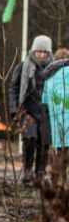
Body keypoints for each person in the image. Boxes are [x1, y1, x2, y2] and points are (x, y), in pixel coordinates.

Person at [10, 35, 53, 184]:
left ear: (49, 53)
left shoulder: (54, 68)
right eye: (38, 51)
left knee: (44, 144)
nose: (41, 55)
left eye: (44, 52)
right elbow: (14, 88)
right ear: (33, 51)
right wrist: (14, 109)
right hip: (28, 111)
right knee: (29, 140)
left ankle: (40, 173)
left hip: (47, 112)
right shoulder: (23, 66)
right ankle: (27, 172)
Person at [43, 48, 69, 178]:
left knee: (60, 159)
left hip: (58, 127)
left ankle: (61, 186)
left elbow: (45, 100)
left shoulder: (49, 77)